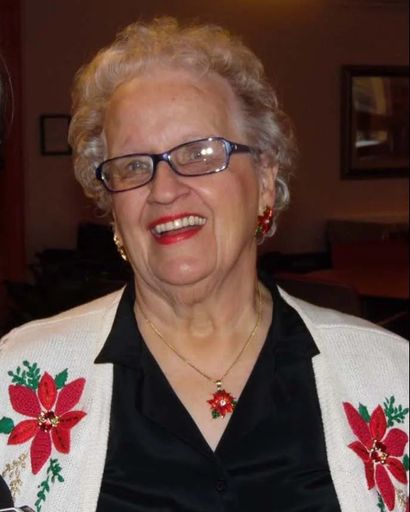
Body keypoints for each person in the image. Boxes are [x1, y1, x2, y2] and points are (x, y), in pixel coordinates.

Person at [0, 17, 408, 512]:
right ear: (111, 206)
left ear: (264, 179)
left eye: (199, 152)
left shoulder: (391, 377)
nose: (164, 190)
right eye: (133, 165)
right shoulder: (16, 380)